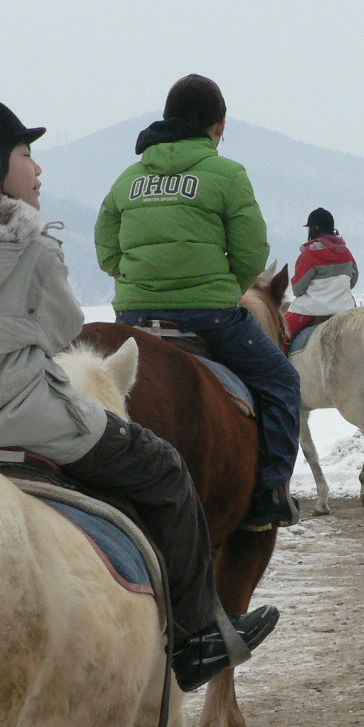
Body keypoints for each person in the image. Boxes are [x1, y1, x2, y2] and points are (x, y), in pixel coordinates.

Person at [0, 95, 277, 692]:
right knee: (165, 471)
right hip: (28, 428)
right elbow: (60, 331)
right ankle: (196, 638)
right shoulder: (27, 246)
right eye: (27, 154)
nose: (38, 169)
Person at [96, 74, 301, 530]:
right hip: (209, 316)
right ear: (219, 125)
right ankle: (271, 493)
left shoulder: (127, 180)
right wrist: (222, 289)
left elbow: (107, 251)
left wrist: (139, 283)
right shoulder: (227, 175)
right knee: (283, 381)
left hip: (133, 316)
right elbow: (252, 250)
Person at [285, 207, 358, 348]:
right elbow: (353, 281)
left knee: (280, 331)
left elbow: (298, 289)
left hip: (312, 310)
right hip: (345, 308)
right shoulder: (346, 253)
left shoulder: (309, 254)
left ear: (314, 228)